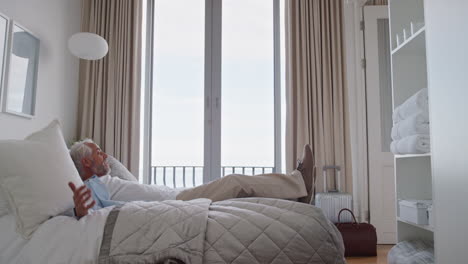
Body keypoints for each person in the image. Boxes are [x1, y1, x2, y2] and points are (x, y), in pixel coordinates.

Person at [68, 139, 315, 218]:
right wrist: (80, 211)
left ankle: (296, 196)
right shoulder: (92, 186)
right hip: (179, 201)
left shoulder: (105, 180)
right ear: (87, 162)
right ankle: (297, 183)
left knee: (241, 195)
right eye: (99, 153)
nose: (106, 156)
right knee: (234, 183)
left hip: (181, 195)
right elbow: (90, 213)